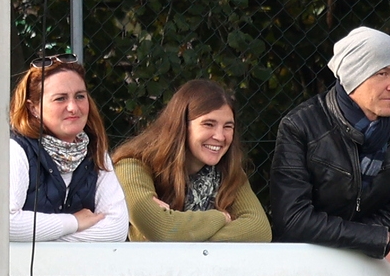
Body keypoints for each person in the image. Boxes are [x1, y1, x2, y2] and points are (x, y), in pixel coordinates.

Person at [270, 27, 390, 276]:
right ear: (354, 76)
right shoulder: (301, 125)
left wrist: (360, 240)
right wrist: (379, 240)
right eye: (382, 73)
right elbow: (292, 219)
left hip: (380, 269)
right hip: (306, 266)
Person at [112, 79, 271, 242]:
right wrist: (221, 218)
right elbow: (163, 229)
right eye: (208, 124)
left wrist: (181, 232)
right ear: (181, 125)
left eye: (228, 126)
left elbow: (260, 230)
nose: (220, 136)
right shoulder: (132, 166)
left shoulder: (229, 171)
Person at [9, 53, 129, 241]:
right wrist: (73, 222)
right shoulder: (16, 150)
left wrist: (46, 241)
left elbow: (116, 230)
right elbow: (3, 224)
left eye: (80, 96)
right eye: (60, 99)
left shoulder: (95, 151)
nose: (73, 107)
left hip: (70, 269)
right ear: (33, 108)